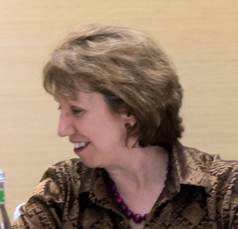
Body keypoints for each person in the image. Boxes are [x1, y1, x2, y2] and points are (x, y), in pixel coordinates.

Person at [14, 25, 238, 229]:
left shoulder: (225, 189)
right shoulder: (63, 189)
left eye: (76, 110)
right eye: (60, 110)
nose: (62, 130)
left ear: (130, 110)